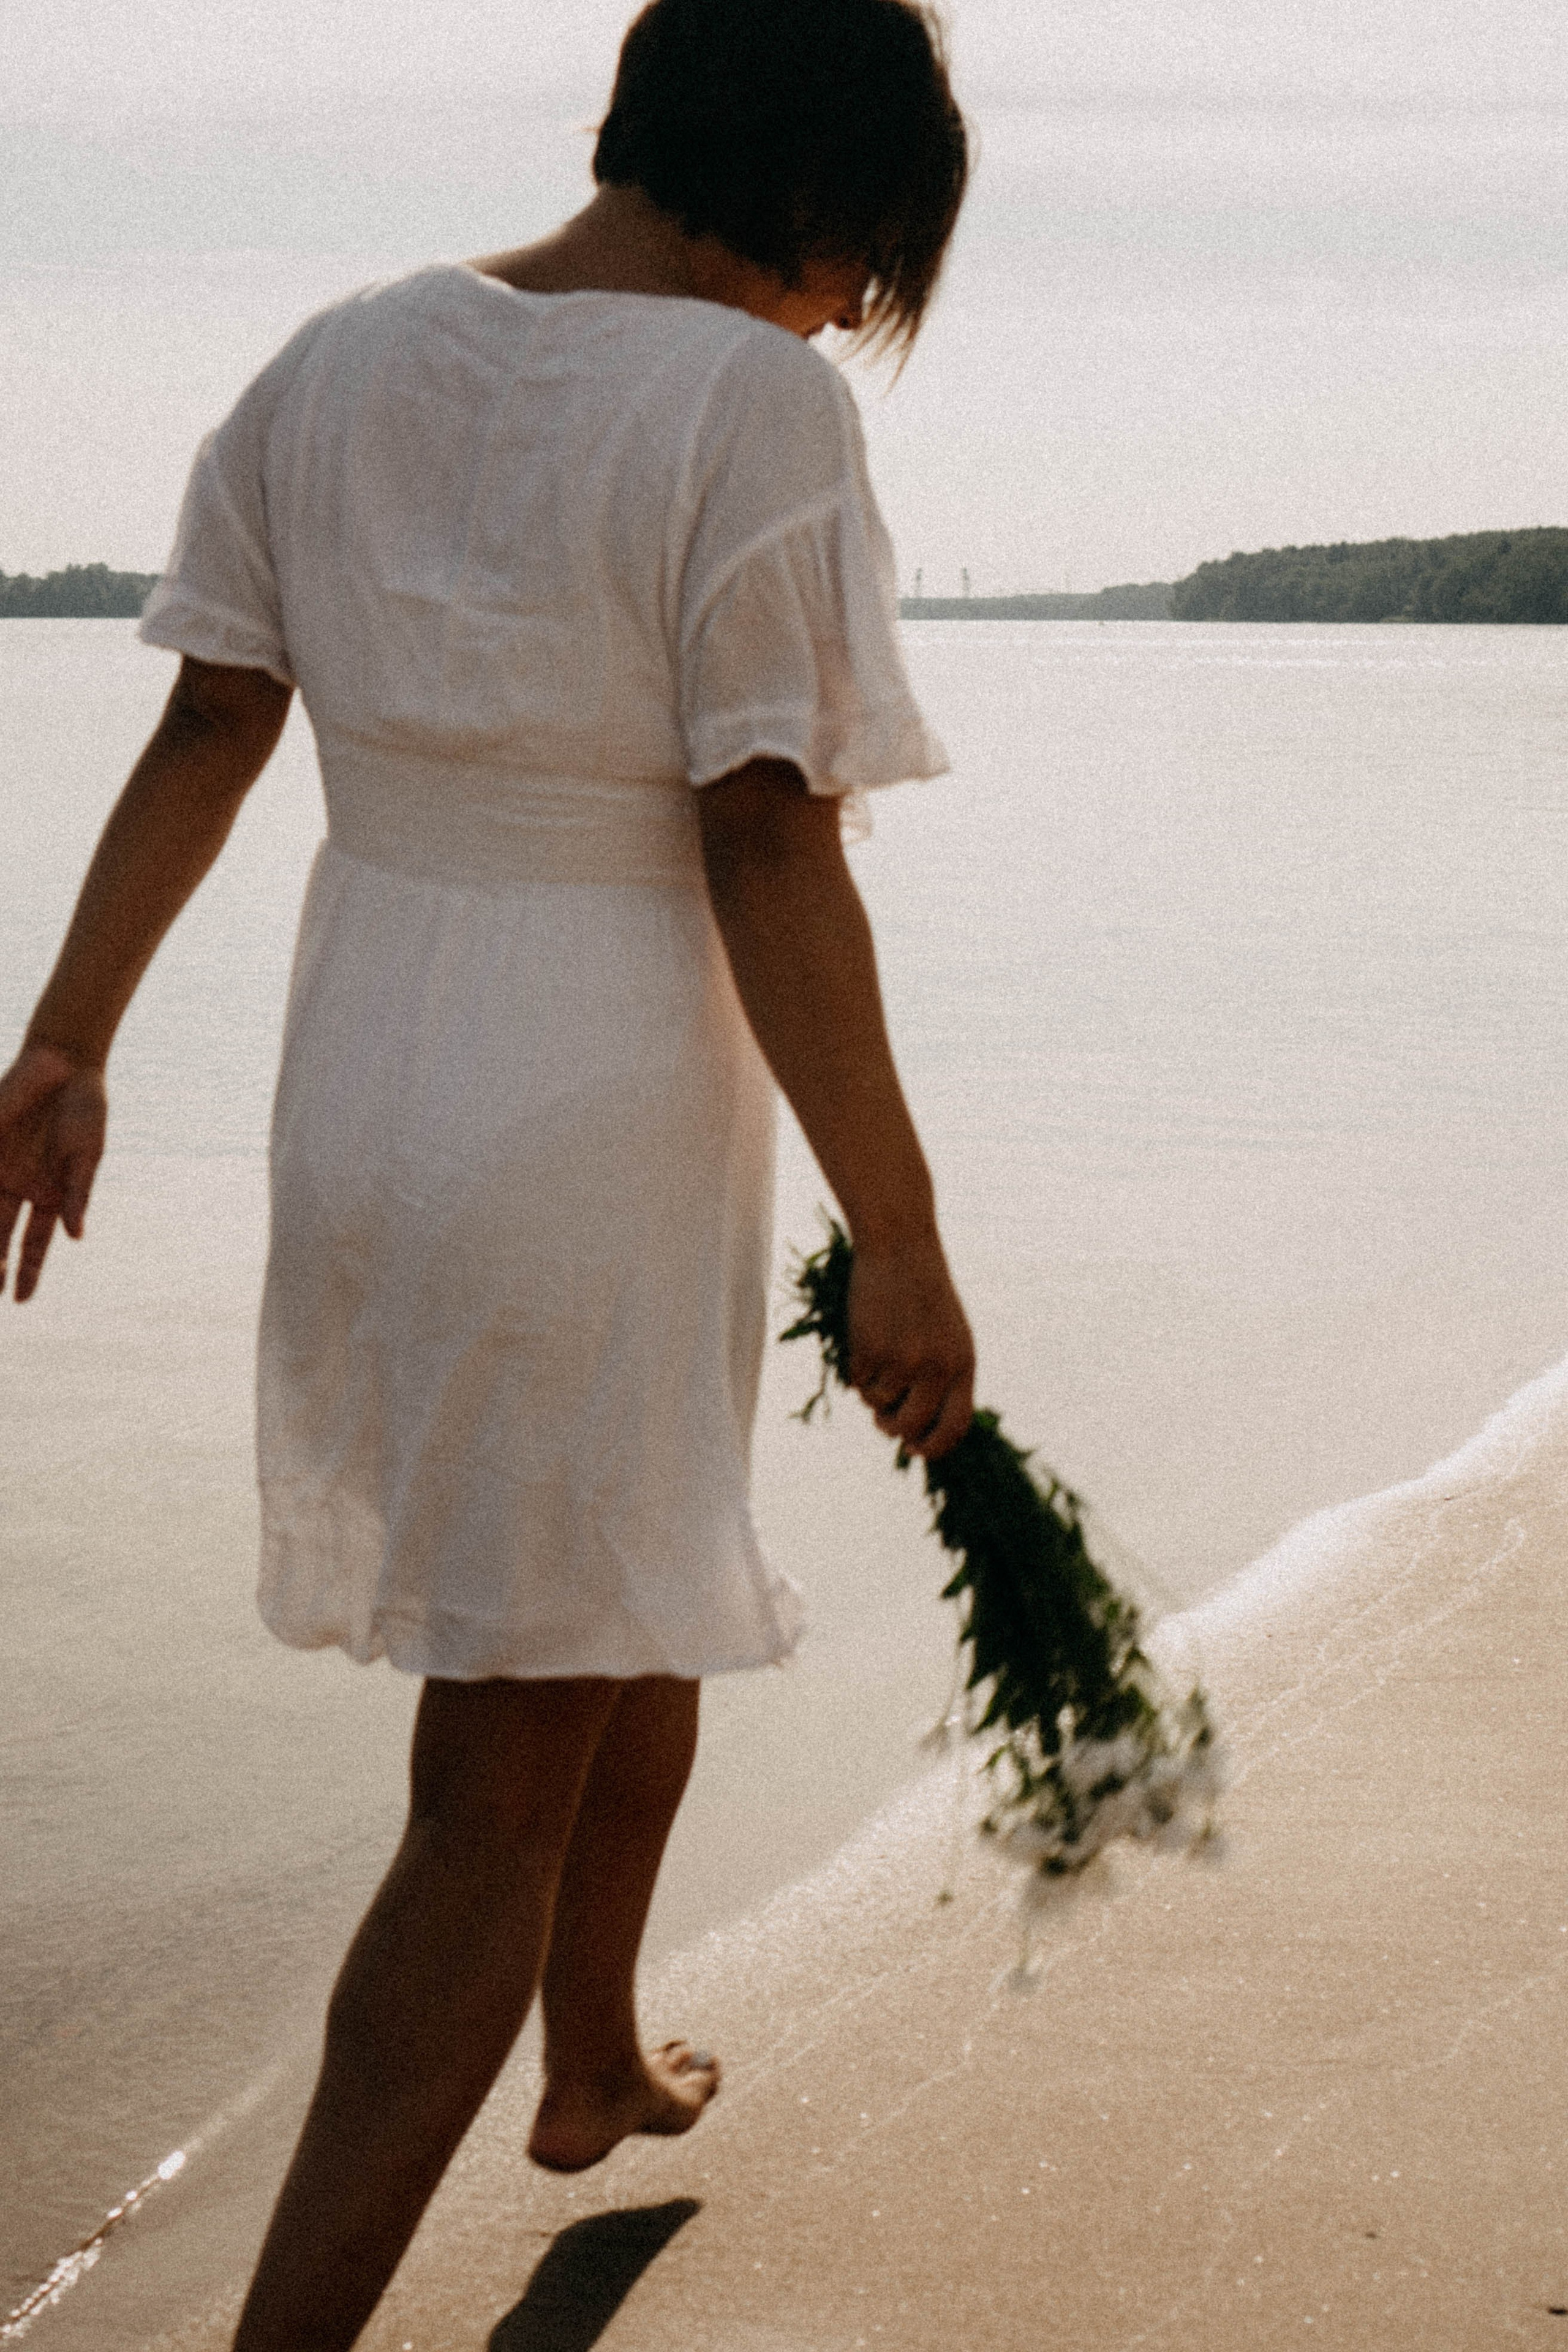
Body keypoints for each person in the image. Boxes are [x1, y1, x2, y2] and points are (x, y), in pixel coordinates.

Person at [0, 1, 974, 2342]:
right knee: (489, 1789)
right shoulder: (750, 407)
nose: (853, 312)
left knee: (631, 1569)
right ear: (813, 186)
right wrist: (909, 1236)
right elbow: (766, 835)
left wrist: (67, 1035)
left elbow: (215, 712)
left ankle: (595, 2060)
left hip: (373, 1070)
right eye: (868, 259)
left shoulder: (339, 352)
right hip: (594, 1099)